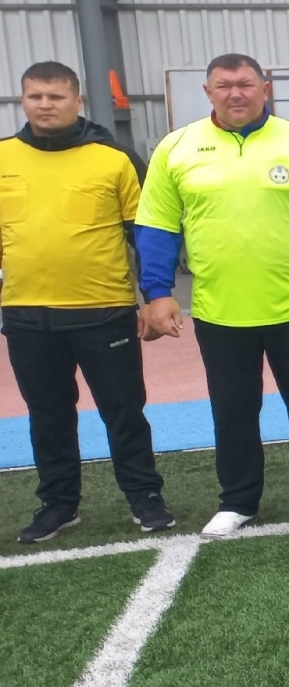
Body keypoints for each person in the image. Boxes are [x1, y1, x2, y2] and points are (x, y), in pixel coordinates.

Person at [136, 53, 289, 536]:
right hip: (219, 310)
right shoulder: (177, 148)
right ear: (208, 92)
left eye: (245, 84)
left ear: (265, 88)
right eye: (224, 85)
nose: (235, 93)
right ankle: (238, 500)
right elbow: (156, 225)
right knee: (233, 411)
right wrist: (157, 291)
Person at [0, 61, 172, 544]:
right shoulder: (3, 156)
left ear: (78, 101)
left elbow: (146, 234)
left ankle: (145, 497)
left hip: (104, 312)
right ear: (23, 100)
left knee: (123, 411)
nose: (45, 105)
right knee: (47, 415)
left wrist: (154, 298)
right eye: (35, 96)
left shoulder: (114, 158)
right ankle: (59, 505)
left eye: (56, 96)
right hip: (26, 315)